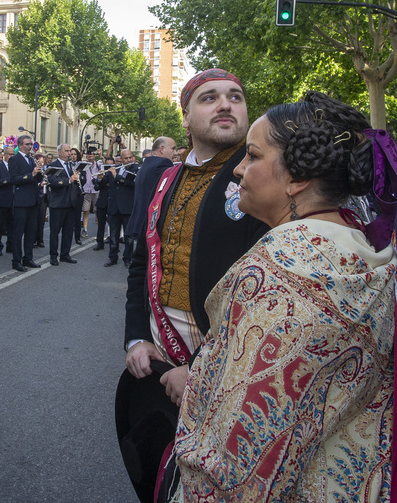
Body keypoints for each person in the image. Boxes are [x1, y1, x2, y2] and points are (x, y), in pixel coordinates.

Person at [167, 94, 397, 501]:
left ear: (297, 179)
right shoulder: (355, 243)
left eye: (253, 156)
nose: (239, 169)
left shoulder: (280, 274)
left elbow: (244, 455)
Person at [116, 69, 269, 502]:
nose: (225, 104)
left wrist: (201, 367)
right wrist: (136, 337)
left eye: (235, 97)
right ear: (186, 117)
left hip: (232, 354)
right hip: (163, 347)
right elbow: (141, 263)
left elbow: (262, 294)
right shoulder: (165, 179)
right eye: (209, 98)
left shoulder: (262, 177)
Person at [125, 136, 177, 247]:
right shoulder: (163, 164)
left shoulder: (148, 163)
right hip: (151, 225)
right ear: (162, 149)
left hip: (140, 222)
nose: (176, 153)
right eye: (173, 149)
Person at [8, 135, 43, 272]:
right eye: (27, 144)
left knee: (31, 232)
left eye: (31, 144)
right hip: (21, 201)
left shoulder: (31, 159)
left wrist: (39, 171)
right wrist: (31, 175)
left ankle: (28, 258)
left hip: (33, 200)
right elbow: (14, 179)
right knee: (18, 232)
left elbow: (37, 178)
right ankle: (16, 260)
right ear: (20, 145)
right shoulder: (14, 159)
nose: (30, 147)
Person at [46, 143, 82, 265]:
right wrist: (68, 180)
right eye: (66, 151)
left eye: (70, 151)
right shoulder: (53, 165)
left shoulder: (72, 165)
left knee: (68, 231)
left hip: (71, 202)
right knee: (55, 231)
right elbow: (53, 181)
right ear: (59, 152)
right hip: (58, 203)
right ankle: (53, 255)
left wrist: (78, 177)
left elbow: (78, 182)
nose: (69, 154)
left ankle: (65, 254)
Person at [104, 148, 139, 268]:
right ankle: (112, 257)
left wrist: (117, 177)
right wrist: (99, 179)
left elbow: (133, 184)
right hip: (114, 207)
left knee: (128, 237)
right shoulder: (116, 168)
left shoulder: (136, 169)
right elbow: (105, 184)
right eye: (126, 158)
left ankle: (127, 258)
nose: (129, 160)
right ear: (121, 159)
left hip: (127, 208)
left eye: (130, 157)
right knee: (113, 235)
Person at [93, 155, 116, 251]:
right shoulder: (102, 174)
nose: (109, 168)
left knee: (113, 225)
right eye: (107, 165)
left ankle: (113, 243)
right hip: (102, 202)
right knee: (101, 224)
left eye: (111, 165)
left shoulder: (116, 173)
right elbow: (96, 187)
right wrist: (99, 179)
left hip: (112, 202)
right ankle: (99, 243)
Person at [82, 147, 102, 238]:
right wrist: (81, 151)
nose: (90, 156)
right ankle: (85, 229)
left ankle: (99, 230)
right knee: (85, 210)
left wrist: (101, 155)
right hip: (86, 190)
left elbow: (105, 164)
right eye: (89, 154)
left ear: (95, 156)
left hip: (95, 190)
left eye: (92, 154)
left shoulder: (98, 165)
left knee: (97, 210)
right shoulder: (83, 165)